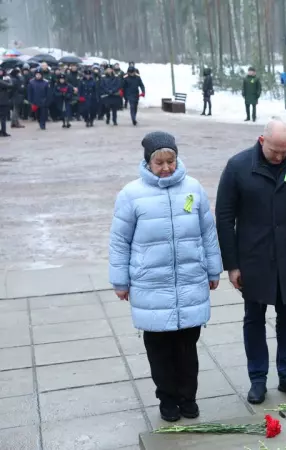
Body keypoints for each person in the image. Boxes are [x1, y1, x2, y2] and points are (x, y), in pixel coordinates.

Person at [108, 131, 223, 423]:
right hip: (151, 285)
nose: (166, 168)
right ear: (147, 162)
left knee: (187, 348)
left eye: (170, 160)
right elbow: (120, 241)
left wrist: (213, 268)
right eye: (159, 162)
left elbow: (207, 232)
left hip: (190, 281)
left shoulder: (193, 189)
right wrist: (121, 280)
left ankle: (188, 397)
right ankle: (167, 399)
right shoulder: (131, 194)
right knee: (159, 350)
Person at [215, 120, 286, 404]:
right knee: (254, 319)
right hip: (253, 259)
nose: (279, 157)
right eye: (275, 151)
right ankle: (257, 379)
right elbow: (224, 218)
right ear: (261, 140)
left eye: (285, 150)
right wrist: (232, 265)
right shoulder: (238, 166)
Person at [0, 69, 12, 137]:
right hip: (2, 101)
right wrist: (9, 79)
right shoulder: (1, 81)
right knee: (3, 118)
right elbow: (10, 85)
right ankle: (3, 132)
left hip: (3, 101)